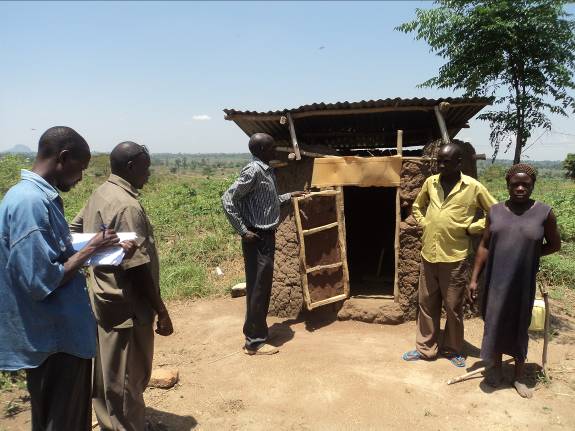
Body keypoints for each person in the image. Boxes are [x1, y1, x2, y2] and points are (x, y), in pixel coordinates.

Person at [0, 127, 125, 431]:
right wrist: (91, 249)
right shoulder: (30, 203)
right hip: (55, 342)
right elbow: (41, 280)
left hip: (56, 336)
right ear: (63, 158)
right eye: (80, 168)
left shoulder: (33, 197)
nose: (81, 177)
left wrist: (94, 245)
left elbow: (51, 254)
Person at [70, 141, 173, 430]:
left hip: (103, 297)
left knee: (109, 373)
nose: (148, 174)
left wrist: (98, 255)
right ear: (130, 166)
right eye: (145, 168)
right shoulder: (127, 205)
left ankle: (110, 424)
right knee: (129, 377)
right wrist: (161, 310)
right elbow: (137, 268)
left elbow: (74, 231)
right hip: (128, 306)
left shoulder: (101, 193)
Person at [468, 164, 561, 398]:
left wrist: (529, 254)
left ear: (533, 185)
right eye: (515, 184)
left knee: (520, 324)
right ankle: (496, 369)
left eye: (525, 185)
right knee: (495, 322)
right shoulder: (495, 211)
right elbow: (484, 245)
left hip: (522, 281)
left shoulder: (544, 213)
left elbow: (554, 245)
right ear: (507, 185)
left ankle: (519, 376)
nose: (520, 188)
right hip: (495, 280)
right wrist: (474, 279)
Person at [403, 143, 497, 368]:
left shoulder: (472, 187)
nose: (441, 166)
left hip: (454, 258)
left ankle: (453, 349)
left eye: (446, 162)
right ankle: (425, 348)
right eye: (439, 161)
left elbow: (496, 212)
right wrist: (425, 223)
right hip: (429, 255)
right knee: (426, 305)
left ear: (459, 163)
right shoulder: (430, 182)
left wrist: (473, 227)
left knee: (453, 307)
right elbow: (417, 206)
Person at [222, 133, 302, 355]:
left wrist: (290, 195)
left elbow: (269, 202)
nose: (275, 150)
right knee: (258, 287)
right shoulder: (253, 171)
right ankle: (254, 342)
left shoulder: (266, 171)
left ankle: (259, 333)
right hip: (256, 236)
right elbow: (227, 199)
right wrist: (243, 230)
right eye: (271, 147)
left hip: (266, 236)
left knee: (262, 287)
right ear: (262, 150)